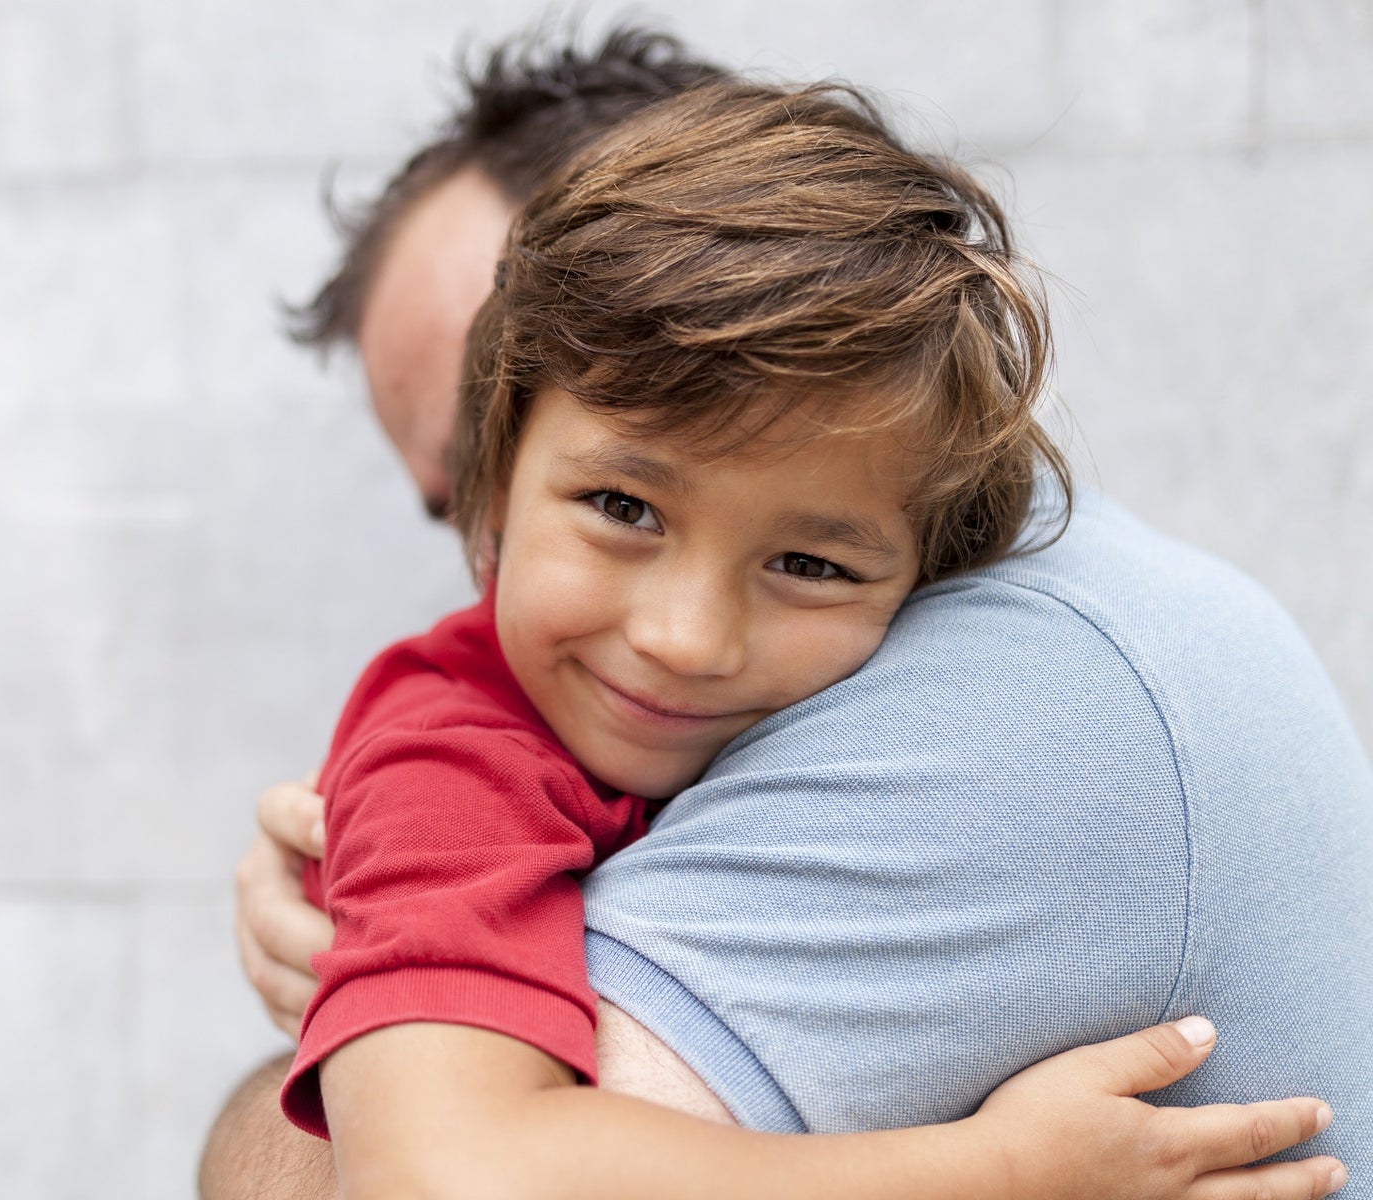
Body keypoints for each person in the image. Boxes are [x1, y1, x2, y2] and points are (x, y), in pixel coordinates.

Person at [202, 23, 1373, 1200]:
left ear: (935, 554)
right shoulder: (453, 767)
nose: (683, 637)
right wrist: (1001, 1170)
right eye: (618, 504)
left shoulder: (1034, 675)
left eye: (810, 565)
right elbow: (440, 1179)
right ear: (500, 475)